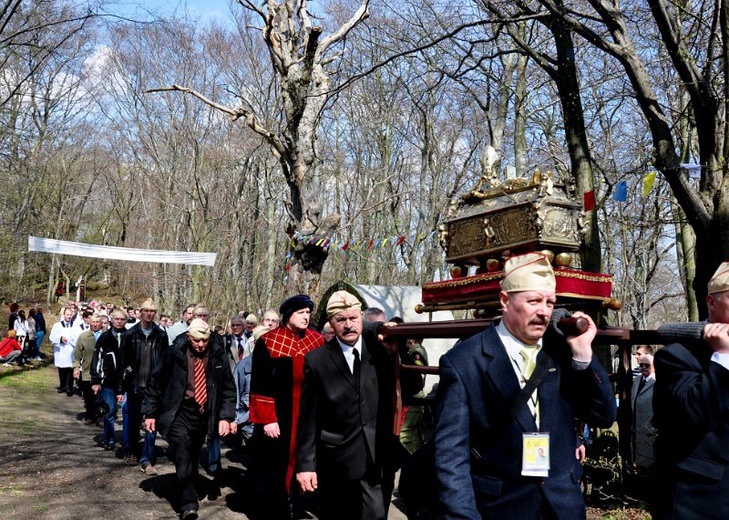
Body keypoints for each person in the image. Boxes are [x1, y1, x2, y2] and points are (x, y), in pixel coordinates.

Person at [433, 252, 617, 519]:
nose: (543, 312)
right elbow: (451, 457)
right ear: (505, 301)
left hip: (563, 506)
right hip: (501, 507)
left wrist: (583, 357)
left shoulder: (563, 353)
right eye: (533, 301)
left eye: (550, 303)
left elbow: (604, 415)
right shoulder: (465, 362)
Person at [296, 290, 397, 520]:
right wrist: (306, 466)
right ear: (331, 322)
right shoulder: (317, 361)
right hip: (336, 462)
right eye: (341, 320)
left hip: (375, 459)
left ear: (361, 316)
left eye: (353, 318)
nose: (348, 325)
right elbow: (308, 420)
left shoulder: (380, 353)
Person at [653, 261, 729, 519]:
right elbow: (695, 415)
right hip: (699, 498)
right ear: (711, 302)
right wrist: (724, 358)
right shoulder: (677, 356)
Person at [142, 318, 236, 520]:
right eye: (196, 341)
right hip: (178, 411)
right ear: (188, 337)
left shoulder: (218, 355)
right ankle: (188, 504)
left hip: (204, 413)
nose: (201, 344)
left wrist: (226, 417)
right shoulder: (173, 353)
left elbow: (228, 388)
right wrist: (149, 413)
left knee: (192, 453)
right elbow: (155, 383)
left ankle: (186, 477)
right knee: (183, 449)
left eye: (204, 340)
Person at [250, 294, 325, 519]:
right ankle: (277, 507)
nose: (306, 317)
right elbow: (260, 382)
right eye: (301, 312)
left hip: (308, 415)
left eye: (308, 312)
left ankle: (297, 503)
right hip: (279, 417)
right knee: (275, 464)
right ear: (289, 314)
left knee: (306, 462)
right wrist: (268, 418)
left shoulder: (317, 340)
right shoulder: (269, 341)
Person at [116, 298, 168, 474]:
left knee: (151, 424)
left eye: (152, 311)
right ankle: (131, 450)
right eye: (146, 310)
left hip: (153, 388)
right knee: (133, 421)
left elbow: (165, 363)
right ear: (140, 312)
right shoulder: (130, 334)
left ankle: (147, 459)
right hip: (135, 385)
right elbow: (122, 363)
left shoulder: (161, 335)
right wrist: (120, 389)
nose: (149, 314)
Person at [90, 310, 127, 451]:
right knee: (109, 410)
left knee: (127, 412)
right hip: (108, 381)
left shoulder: (130, 336)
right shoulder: (105, 338)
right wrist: (96, 380)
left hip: (126, 381)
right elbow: (97, 359)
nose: (119, 321)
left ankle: (127, 441)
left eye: (122, 319)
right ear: (111, 319)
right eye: (116, 318)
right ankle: (109, 439)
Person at [73, 314, 103, 425]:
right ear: (90, 323)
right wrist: (76, 368)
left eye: (97, 322)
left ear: (101, 323)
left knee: (101, 395)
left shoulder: (106, 335)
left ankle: (100, 416)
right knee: (88, 395)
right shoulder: (83, 336)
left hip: (102, 372)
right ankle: (90, 415)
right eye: (93, 322)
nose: (95, 324)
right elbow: (77, 354)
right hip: (87, 370)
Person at [49, 307, 80, 395]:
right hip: (61, 350)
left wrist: (71, 340)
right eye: (67, 315)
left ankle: (69, 386)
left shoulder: (75, 325)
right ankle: (62, 385)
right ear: (64, 315)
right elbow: (52, 337)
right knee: (62, 368)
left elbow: (78, 337)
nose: (69, 316)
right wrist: (60, 339)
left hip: (71, 349)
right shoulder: (57, 325)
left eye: (70, 315)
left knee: (70, 368)